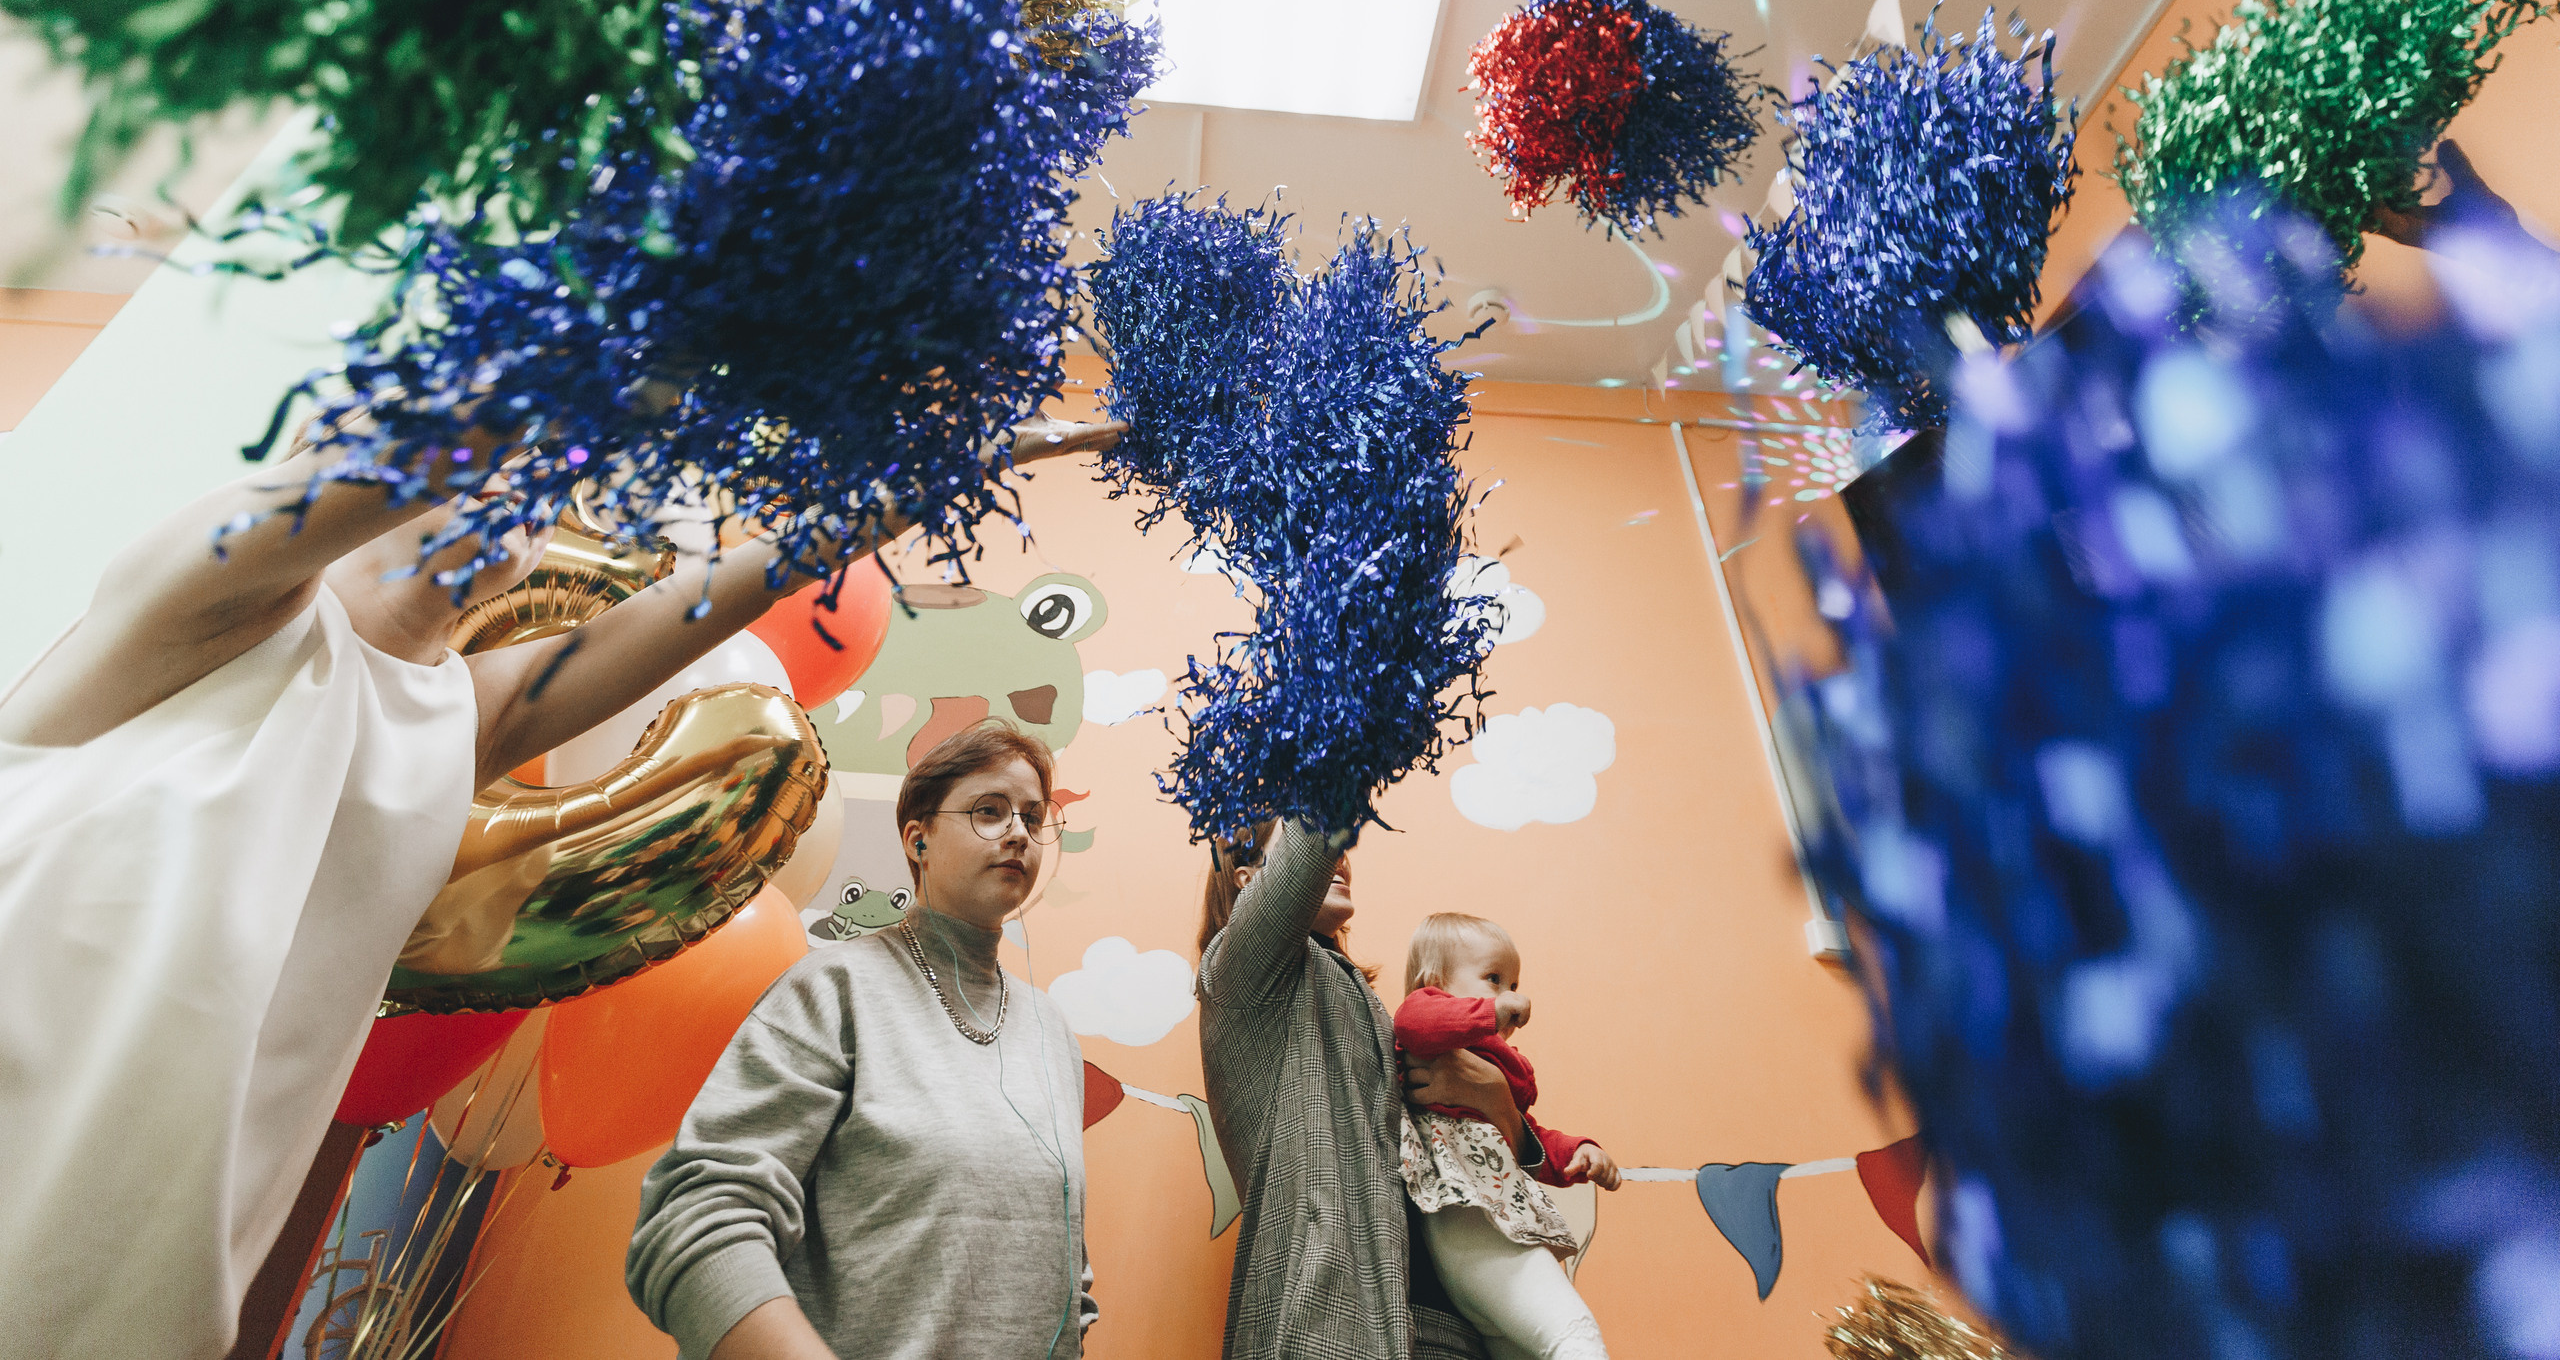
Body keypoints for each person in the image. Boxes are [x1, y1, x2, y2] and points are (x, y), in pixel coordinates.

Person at [0, 416, 1116, 1360]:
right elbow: (459, 418)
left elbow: (763, 571)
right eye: (500, 467)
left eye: (541, 488)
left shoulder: (460, 723)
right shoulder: (203, 602)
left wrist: (959, 457)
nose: (523, 496)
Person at [627, 720, 1094, 1360]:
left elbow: (1065, 1272)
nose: (1018, 831)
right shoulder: (832, 989)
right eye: (989, 810)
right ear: (918, 839)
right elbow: (694, 1224)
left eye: (1034, 817)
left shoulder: (1052, 1032)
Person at [1196, 820, 1545, 1360]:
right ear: (1248, 880)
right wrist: (1337, 780)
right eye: (1314, 843)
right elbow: (1312, 840)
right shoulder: (1237, 970)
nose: (1342, 856)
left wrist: (1497, 1099)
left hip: (1442, 1325)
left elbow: (1484, 1167)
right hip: (1328, 1318)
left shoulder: (1377, 1012)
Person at [1394, 913, 1619, 1360]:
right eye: (1493, 979)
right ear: (1433, 982)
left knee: (1521, 1348)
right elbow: (1412, 1019)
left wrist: (1579, 1150)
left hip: (1485, 1226)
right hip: (1474, 1214)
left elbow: (1527, 1134)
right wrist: (1488, 1013)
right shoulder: (1429, 1029)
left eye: (1513, 983)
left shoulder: (1496, 1062)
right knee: (1573, 1333)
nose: (1510, 995)